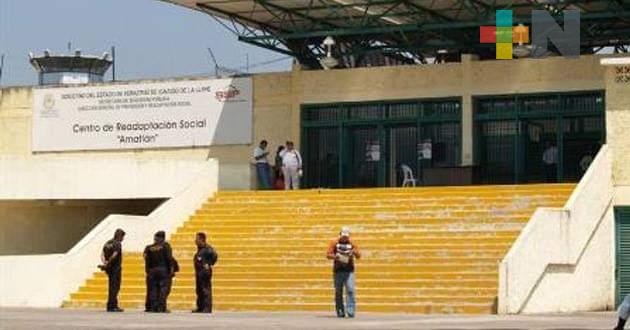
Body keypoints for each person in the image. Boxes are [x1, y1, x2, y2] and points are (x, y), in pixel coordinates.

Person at [326, 227, 361, 318]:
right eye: (343, 236)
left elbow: (358, 255)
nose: (344, 238)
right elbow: (328, 254)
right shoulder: (334, 243)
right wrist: (335, 257)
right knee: (338, 291)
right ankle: (340, 310)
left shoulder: (352, 243)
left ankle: (350, 311)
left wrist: (353, 252)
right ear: (340, 235)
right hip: (338, 270)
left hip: (349, 270)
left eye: (346, 236)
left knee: (350, 290)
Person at [143, 231, 173, 313]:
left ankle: (153, 307)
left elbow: (146, 259)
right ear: (162, 238)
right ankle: (161, 307)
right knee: (163, 289)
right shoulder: (166, 246)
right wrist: (171, 269)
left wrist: (148, 270)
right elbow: (169, 258)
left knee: (153, 289)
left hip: (152, 270)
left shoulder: (148, 248)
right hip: (163, 270)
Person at [99, 228, 125, 312]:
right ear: (119, 236)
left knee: (111, 287)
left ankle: (111, 305)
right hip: (115, 268)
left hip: (109, 268)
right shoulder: (117, 243)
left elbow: (102, 254)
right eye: (122, 237)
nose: (122, 239)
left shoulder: (108, 243)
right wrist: (108, 262)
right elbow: (115, 254)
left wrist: (105, 263)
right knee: (115, 287)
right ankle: (112, 306)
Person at [193, 232, 218, 313]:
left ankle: (207, 308)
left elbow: (214, 256)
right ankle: (200, 307)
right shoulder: (200, 249)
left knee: (205, 290)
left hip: (204, 272)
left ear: (201, 239)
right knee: (199, 290)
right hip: (199, 272)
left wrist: (209, 264)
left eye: (197, 239)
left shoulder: (208, 248)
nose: (195, 241)